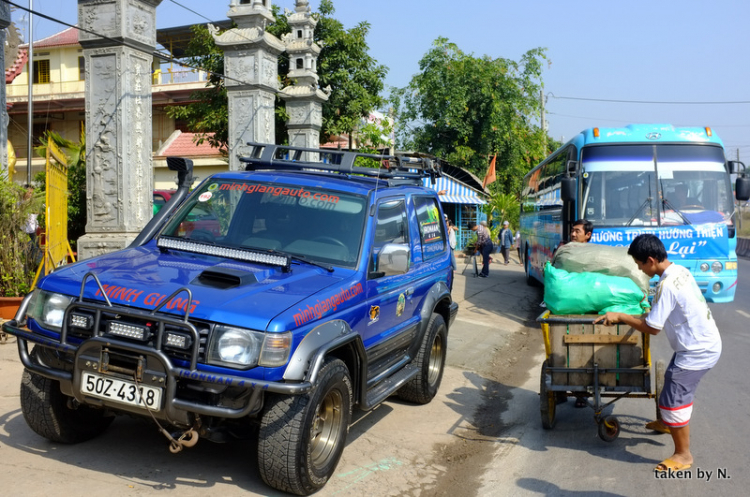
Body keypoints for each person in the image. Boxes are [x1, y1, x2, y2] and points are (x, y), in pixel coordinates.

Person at [594, 234, 721, 473]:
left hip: (697, 351)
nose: (640, 269)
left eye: (640, 264)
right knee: (671, 382)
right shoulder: (679, 271)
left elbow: (652, 328)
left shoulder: (667, 285)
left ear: (651, 260)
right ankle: (666, 423)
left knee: (675, 401)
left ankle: (683, 455)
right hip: (700, 343)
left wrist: (621, 316)